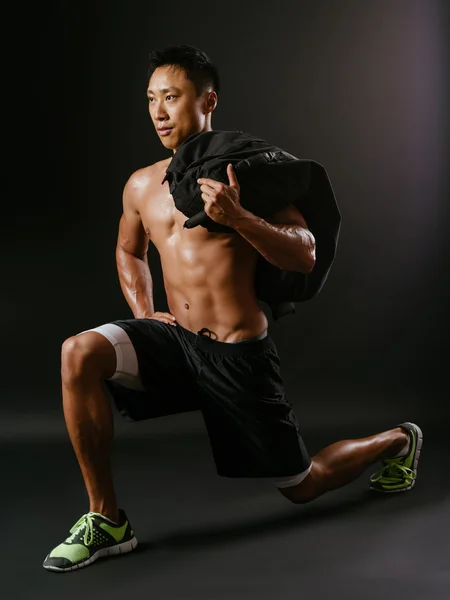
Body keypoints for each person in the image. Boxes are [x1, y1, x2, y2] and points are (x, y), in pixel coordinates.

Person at [43, 45, 423, 573]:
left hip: (236, 355)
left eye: (171, 98)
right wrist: (144, 309)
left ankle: (398, 440)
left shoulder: (246, 171)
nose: (158, 111)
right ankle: (107, 520)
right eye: (151, 99)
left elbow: (305, 251)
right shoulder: (140, 184)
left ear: (208, 100)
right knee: (78, 352)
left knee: (302, 484)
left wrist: (240, 217)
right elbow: (129, 250)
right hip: (176, 342)